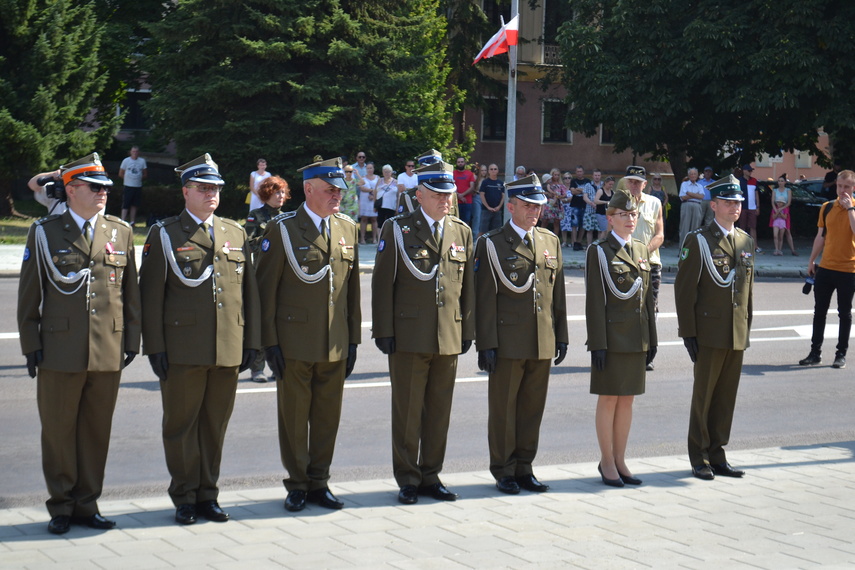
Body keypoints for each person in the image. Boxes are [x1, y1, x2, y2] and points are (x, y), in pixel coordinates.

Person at [18, 152, 141, 534]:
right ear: (71, 190)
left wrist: (132, 339)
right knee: (58, 432)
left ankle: (87, 505)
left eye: (106, 187)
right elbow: (28, 295)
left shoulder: (120, 232)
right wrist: (30, 344)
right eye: (95, 187)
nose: (104, 193)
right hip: (59, 349)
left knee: (95, 431)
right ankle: (61, 505)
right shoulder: (45, 231)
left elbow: (130, 292)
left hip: (107, 348)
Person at [139, 153, 260, 525]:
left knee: (214, 425)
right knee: (181, 426)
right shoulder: (165, 233)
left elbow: (249, 292)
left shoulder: (234, 232)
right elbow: (150, 297)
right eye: (203, 188)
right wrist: (155, 347)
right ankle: (184, 496)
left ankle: (208, 494)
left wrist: (252, 343)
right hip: (182, 350)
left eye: (216, 188)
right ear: (185, 191)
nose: (211, 194)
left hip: (226, 346)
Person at [256, 156, 361, 512]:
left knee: (328, 417)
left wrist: (353, 340)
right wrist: (269, 343)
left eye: (340, 190)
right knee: (295, 417)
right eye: (330, 190)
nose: (337, 196)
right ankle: (297, 483)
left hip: (334, 340)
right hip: (294, 341)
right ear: (309, 189)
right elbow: (265, 291)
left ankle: (320, 482)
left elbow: (352, 291)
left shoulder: (347, 228)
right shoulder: (282, 229)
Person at [372, 159, 474, 505]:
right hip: (409, 335)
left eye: (449, 194)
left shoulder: (461, 231)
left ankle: (431, 475)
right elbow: (383, 283)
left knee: (439, 410)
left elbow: (467, 287)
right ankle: (408, 478)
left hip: (447, 334)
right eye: (437, 194)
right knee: (408, 410)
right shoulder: (398, 229)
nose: (445, 200)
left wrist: (467, 327)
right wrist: (383, 329)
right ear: (419, 195)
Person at [475, 175, 568, 495]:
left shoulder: (549, 241)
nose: (535, 212)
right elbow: (484, 298)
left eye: (538, 206)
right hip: (507, 342)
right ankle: (503, 470)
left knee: (532, 408)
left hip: (542, 338)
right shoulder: (491, 242)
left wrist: (562, 334)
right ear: (510, 206)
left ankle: (525, 466)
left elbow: (557, 294)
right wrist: (485, 343)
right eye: (528, 205)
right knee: (504, 409)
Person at [675, 175, 754, 481]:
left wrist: (747, 327)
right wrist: (688, 332)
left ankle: (718, 453)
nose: (734, 207)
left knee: (725, 397)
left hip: (735, 331)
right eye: (728, 202)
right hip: (708, 332)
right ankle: (699, 456)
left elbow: (748, 291)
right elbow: (685, 291)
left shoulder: (745, 241)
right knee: (704, 396)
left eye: (738, 203)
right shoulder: (699, 240)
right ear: (714, 205)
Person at [585, 189, 656, 488]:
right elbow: (595, 301)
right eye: (623, 215)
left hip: (636, 337)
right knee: (609, 398)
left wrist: (652, 338)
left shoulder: (640, 249)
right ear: (609, 218)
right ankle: (607, 461)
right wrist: (598, 343)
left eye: (633, 215)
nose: (630, 220)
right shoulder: (599, 251)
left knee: (627, 399)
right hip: (612, 338)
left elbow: (647, 300)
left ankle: (620, 458)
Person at [799, 169, 855, 369]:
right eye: (839, 186)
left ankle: (841, 354)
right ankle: (815, 353)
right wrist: (811, 261)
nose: (842, 190)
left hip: (849, 269)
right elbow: (820, 237)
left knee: (844, 313)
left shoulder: (854, 209)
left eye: (847, 187)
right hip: (826, 267)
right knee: (819, 312)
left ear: (853, 188)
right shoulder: (827, 207)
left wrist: (850, 209)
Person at [244, 175, 290, 382]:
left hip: (283, 276)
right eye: (276, 192)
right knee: (262, 321)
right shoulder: (256, 216)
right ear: (266, 194)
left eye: (282, 192)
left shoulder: (289, 217)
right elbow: (248, 244)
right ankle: (257, 368)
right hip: (261, 275)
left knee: (281, 322)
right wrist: (268, 239)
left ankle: (278, 365)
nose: (280, 196)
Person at [624, 165, 664, 371]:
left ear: (645, 184)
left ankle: (647, 353)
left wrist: (643, 253)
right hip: (624, 264)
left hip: (651, 264)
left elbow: (660, 234)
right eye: (630, 181)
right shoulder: (619, 203)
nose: (633, 185)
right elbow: (611, 231)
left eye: (637, 182)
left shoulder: (655, 203)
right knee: (625, 309)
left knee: (650, 310)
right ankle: (626, 351)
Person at [769, 174, 797, 256]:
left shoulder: (788, 190)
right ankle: (777, 249)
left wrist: (781, 209)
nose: (780, 183)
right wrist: (775, 209)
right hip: (776, 209)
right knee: (776, 230)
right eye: (779, 181)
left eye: (782, 181)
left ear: (785, 182)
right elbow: (772, 201)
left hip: (785, 209)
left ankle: (793, 249)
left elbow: (789, 202)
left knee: (787, 230)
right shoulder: (775, 190)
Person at [118, 146, 147, 225]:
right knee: (126, 203)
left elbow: (145, 173)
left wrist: (138, 179)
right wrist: (128, 179)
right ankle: (123, 220)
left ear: (139, 153)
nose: (135, 153)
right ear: (130, 152)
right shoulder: (126, 161)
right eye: (133, 151)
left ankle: (132, 221)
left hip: (137, 186)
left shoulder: (142, 161)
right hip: (128, 185)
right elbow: (121, 173)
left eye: (136, 151)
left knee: (135, 204)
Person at [736, 164, 761, 252]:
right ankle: (742, 246)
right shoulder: (739, 181)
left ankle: (755, 246)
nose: (750, 172)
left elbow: (756, 194)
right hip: (742, 207)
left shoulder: (754, 180)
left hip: (752, 207)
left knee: (753, 227)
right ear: (744, 171)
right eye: (749, 170)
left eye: (751, 171)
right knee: (742, 227)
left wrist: (757, 206)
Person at [678, 167, 705, 245]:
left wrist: (689, 193)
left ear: (697, 176)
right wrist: (696, 195)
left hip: (697, 206)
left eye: (694, 174)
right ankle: (682, 248)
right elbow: (683, 197)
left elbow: (701, 197)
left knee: (695, 228)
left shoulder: (699, 186)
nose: (693, 175)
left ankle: (693, 248)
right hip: (686, 204)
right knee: (684, 227)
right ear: (688, 175)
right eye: (691, 174)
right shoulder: (684, 184)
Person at [567, 166, 590, 250]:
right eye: (578, 171)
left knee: (583, 225)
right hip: (574, 205)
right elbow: (572, 191)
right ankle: (574, 242)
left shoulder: (587, 181)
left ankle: (579, 242)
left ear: (583, 172)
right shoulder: (573, 181)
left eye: (580, 171)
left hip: (584, 205)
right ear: (576, 172)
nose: (579, 173)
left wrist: (578, 190)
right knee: (574, 225)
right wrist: (582, 190)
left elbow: (588, 191)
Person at [479, 164, 505, 235]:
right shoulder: (485, 182)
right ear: (488, 171)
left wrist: (499, 207)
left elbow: (503, 196)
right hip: (486, 210)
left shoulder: (501, 183)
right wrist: (488, 207)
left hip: (497, 211)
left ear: (498, 171)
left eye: (495, 169)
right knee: (483, 230)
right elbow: (482, 195)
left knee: (497, 231)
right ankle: (480, 245)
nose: (493, 170)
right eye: (491, 169)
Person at [582, 169, 603, 247]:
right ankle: (589, 246)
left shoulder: (603, 185)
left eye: (598, 175)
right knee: (589, 230)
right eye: (595, 175)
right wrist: (592, 203)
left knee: (600, 230)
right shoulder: (588, 185)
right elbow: (585, 197)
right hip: (589, 211)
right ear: (592, 176)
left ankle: (598, 246)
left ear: (600, 176)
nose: (597, 177)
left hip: (600, 211)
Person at [542, 168, 565, 239]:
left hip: (557, 203)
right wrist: (548, 193)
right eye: (555, 175)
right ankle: (541, 236)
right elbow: (542, 191)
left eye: (558, 175)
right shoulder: (547, 184)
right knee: (545, 220)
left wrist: (560, 196)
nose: (556, 176)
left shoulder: (561, 185)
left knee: (556, 221)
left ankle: (555, 239)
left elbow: (564, 194)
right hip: (548, 203)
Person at [358, 162, 378, 244]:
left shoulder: (378, 178)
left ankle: (374, 238)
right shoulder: (362, 178)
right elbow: (362, 188)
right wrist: (371, 190)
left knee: (374, 219)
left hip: (374, 200)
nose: (369, 170)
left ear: (373, 169)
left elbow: (379, 189)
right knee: (364, 219)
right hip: (364, 200)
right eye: (368, 168)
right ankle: (362, 238)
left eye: (371, 168)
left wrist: (373, 196)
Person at [453, 157, 476, 227]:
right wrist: (458, 196)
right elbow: (451, 186)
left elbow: (472, 187)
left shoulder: (470, 174)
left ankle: (466, 237)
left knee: (466, 221)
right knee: (455, 221)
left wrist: (462, 195)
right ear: (456, 163)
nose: (460, 163)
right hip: (455, 202)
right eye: (459, 162)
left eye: (462, 162)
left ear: (465, 163)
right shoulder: (452, 174)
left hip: (467, 202)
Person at [375, 164, 399, 228]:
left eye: (388, 171)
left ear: (391, 172)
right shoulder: (379, 180)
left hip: (391, 206)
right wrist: (375, 205)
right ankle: (379, 237)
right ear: (383, 172)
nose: (387, 173)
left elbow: (398, 196)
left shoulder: (396, 182)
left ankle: (389, 237)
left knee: (390, 224)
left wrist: (397, 207)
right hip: (381, 205)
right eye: (385, 171)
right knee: (380, 223)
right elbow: (375, 192)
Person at [471, 162, 487, 236]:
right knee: (477, 217)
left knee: (484, 218)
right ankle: (474, 236)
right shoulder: (476, 178)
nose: (484, 172)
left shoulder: (487, 180)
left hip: (486, 198)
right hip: (477, 197)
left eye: (485, 170)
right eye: (482, 170)